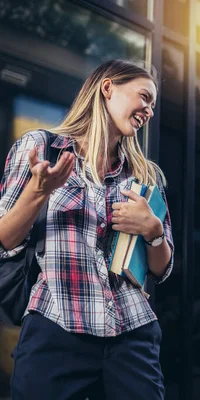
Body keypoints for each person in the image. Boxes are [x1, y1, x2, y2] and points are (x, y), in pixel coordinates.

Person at [0, 60, 174, 399]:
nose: (149, 110)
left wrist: (152, 230)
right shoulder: (43, 148)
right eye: (144, 97)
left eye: (153, 104)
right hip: (56, 326)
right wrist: (39, 192)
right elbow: (5, 238)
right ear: (107, 88)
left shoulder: (143, 176)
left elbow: (162, 268)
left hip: (132, 334)